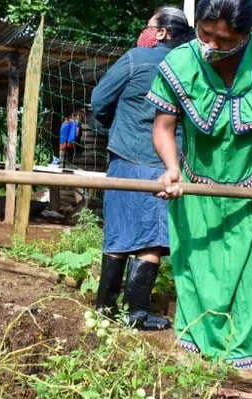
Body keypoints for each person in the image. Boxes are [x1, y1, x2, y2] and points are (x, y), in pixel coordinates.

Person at [150, 0, 252, 369]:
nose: (211, 45)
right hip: (198, 190)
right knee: (198, 271)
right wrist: (172, 168)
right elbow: (163, 126)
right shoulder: (180, 63)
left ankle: (241, 361)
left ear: (245, 33)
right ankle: (196, 352)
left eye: (224, 40)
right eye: (205, 33)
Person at [91, 6, 193, 330]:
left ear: (162, 32)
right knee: (151, 239)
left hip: (125, 157)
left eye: (150, 26)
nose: (145, 31)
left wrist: (116, 126)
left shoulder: (137, 58)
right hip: (167, 164)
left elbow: (99, 100)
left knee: (119, 233)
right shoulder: (190, 67)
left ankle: (105, 308)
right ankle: (136, 314)